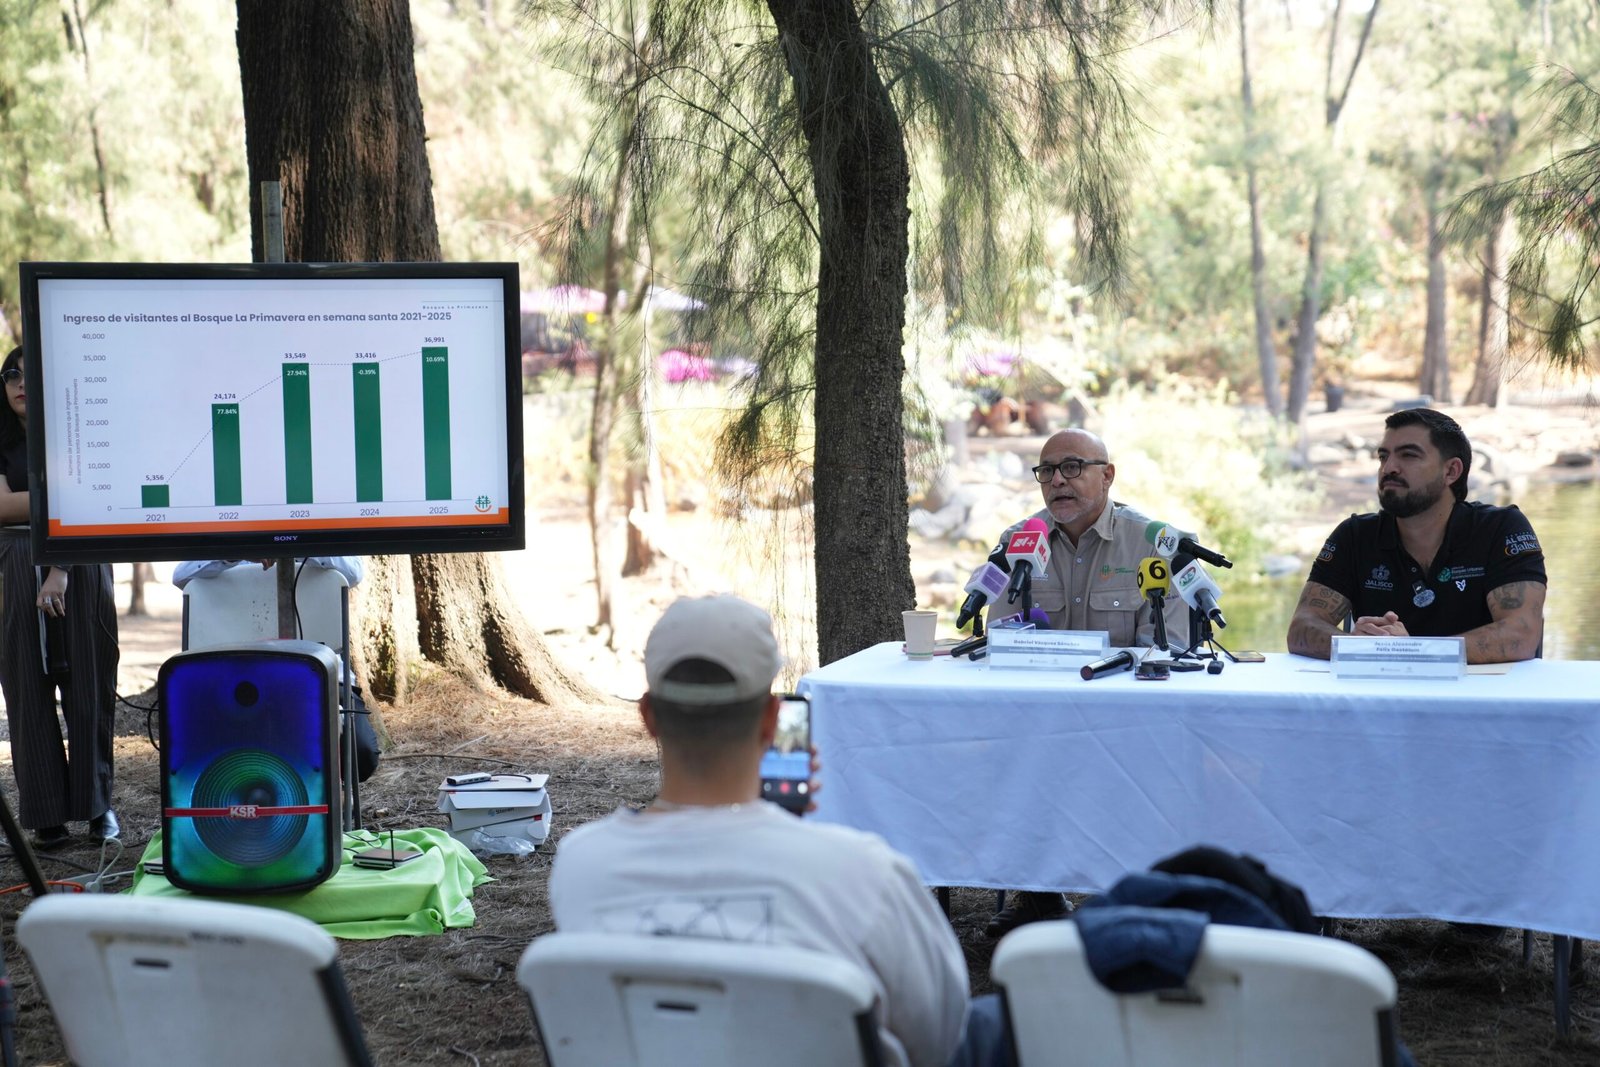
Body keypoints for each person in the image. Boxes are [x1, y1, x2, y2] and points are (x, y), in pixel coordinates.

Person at [549, 595, 1012, 1067]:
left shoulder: (580, 863)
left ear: (647, 716)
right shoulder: (863, 874)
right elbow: (938, 1036)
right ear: (772, 721)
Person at [983, 428, 1190, 937]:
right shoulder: (1019, 542)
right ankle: (1037, 897)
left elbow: (1170, 645)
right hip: (1039, 719)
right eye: (1047, 471)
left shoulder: (1152, 542)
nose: (1058, 481)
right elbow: (999, 637)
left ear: (1107, 475)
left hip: (1125, 719)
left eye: (1072, 467)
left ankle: (1126, 895)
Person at [1287, 407, 1546, 663]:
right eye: (1383, 457)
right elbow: (1302, 628)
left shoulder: (1501, 529)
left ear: (1451, 472)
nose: (1389, 468)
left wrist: (1409, 650)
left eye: (1408, 455)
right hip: (1381, 699)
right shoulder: (1354, 536)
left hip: (1482, 700)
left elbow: (1520, 635)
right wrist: (1357, 645)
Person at [0, 347, 121, 846]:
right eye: (11, 375)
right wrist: (66, 492)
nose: (21, 383)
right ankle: (46, 815)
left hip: (83, 563)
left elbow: (101, 496)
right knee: (26, 688)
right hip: (11, 564)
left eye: (32, 375)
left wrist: (60, 566)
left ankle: (97, 810)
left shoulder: (81, 429)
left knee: (90, 687)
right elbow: (3, 508)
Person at [173, 556, 379, 780]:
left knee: (361, 756)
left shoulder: (316, 537)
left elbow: (354, 571)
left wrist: (293, 548)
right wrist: (238, 552)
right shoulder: (231, 543)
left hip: (320, 673)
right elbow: (181, 575)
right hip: (237, 676)